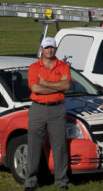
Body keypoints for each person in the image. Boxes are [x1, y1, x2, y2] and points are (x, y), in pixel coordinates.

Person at [26, 37, 71, 190]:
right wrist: (57, 87)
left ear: (55, 49)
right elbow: (35, 89)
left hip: (58, 110)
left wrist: (45, 83)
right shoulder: (33, 67)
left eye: (52, 47)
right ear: (41, 49)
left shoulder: (63, 66)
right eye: (46, 48)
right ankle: (30, 182)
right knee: (33, 145)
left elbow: (66, 85)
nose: (49, 50)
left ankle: (62, 181)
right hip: (38, 109)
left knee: (60, 146)